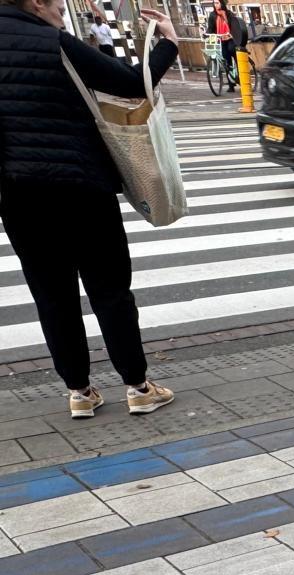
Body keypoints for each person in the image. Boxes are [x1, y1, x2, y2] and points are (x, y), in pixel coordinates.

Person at [0, 0, 179, 418]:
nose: (63, 12)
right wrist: (168, 42)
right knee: (110, 290)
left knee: (52, 297)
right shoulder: (54, 43)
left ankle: (79, 393)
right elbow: (132, 83)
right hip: (83, 189)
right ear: (36, 3)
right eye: (58, 5)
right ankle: (138, 387)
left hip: (20, 196)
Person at [204, 0, 236, 90]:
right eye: (214, 3)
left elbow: (233, 25)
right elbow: (211, 28)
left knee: (231, 50)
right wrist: (207, 34)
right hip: (220, 39)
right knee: (226, 59)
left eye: (217, 3)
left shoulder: (229, 14)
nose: (216, 5)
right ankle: (231, 84)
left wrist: (232, 33)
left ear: (222, 3)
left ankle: (239, 73)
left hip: (230, 38)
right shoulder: (212, 15)